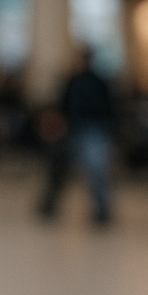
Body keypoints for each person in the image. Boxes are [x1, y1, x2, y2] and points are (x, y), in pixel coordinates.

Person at [38, 48, 115, 224]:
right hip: (74, 129)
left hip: (93, 130)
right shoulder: (73, 80)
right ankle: (49, 205)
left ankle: (102, 210)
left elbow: (110, 108)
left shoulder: (98, 81)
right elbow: (63, 105)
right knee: (59, 168)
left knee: (96, 171)